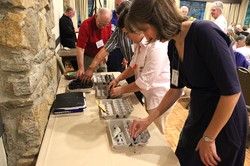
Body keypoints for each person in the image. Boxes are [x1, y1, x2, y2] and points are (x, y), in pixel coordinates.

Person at [126, 0, 248, 165]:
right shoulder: (173, 46)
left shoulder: (205, 33)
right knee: (183, 158)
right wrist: (149, 119)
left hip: (224, 119)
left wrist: (209, 137)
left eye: (146, 30)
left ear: (159, 19)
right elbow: (176, 89)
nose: (147, 37)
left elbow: (232, 92)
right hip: (199, 113)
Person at [108, 8, 172, 134]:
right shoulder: (139, 44)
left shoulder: (156, 47)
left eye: (127, 33)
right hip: (150, 95)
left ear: (136, 28)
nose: (126, 36)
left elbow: (144, 83)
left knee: (156, 133)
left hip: (160, 98)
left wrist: (121, 89)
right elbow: (132, 68)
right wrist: (118, 79)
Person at [80, 1, 144, 104]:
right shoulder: (119, 30)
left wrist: (122, 88)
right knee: (135, 100)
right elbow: (105, 49)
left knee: (141, 101)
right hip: (134, 71)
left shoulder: (147, 41)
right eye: (119, 19)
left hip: (147, 81)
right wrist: (91, 68)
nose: (120, 23)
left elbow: (145, 81)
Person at [76, 7, 112, 78]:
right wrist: (81, 68)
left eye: (105, 25)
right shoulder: (86, 25)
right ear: (96, 16)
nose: (102, 27)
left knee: (103, 79)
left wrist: (106, 54)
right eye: (100, 24)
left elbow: (109, 42)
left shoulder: (107, 24)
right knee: (88, 80)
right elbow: (80, 48)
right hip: (89, 57)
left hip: (101, 57)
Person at [106, 0, 127, 72]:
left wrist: (125, 56)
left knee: (118, 71)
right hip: (108, 47)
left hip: (119, 50)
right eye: (116, 4)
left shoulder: (126, 17)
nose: (118, 7)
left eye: (119, 5)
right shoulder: (110, 14)